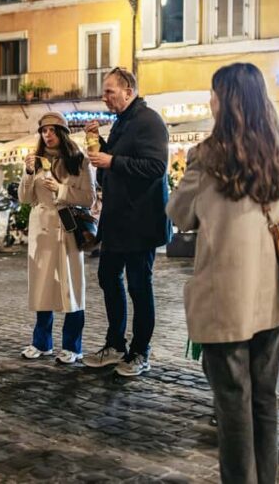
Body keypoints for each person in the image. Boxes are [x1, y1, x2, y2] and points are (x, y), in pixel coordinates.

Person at [167, 63, 279, 483]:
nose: (210, 100)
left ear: (227, 102)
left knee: (232, 405)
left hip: (223, 298)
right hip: (267, 298)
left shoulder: (207, 158)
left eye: (214, 93)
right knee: (263, 402)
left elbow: (179, 215)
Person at [81, 67, 170, 376]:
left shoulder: (149, 121)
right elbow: (110, 171)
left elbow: (156, 167)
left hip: (141, 222)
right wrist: (100, 147)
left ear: (128, 91)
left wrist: (112, 160)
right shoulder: (122, 124)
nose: (105, 97)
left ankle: (139, 351)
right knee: (107, 277)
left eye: (110, 91)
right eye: (104, 92)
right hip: (117, 221)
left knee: (139, 287)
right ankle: (115, 344)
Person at [18, 112, 96, 364]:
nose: (47, 135)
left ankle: (73, 345)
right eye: (43, 131)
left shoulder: (79, 160)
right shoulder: (36, 161)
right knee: (42, 286)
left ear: (62, 132)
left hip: (68, 229)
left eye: (52, 130)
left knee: (71, 286)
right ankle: (41, 343)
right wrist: (29, 173)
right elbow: (24, 199)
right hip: (41, 229)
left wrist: (60, 189)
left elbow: (88, 198)